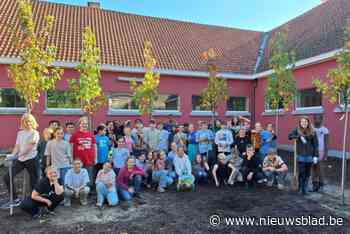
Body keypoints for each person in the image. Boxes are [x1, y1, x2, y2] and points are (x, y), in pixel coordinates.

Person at [3, 113, 40, 204]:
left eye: (29, 121)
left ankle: (34, 201)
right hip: (20, 160)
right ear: (22, 122)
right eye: (25, 122)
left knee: (34, 182)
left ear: (32, 122)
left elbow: (29, 148)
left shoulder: (35, 133)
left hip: (32, 159)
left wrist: (17, 155)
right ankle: (15, 199)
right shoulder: (20, 133)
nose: (28, 123)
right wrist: (12, 155)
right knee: (7, 177)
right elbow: (17, 146)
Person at [289, 116, 319, 195]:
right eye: (302, 121)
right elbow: (290, 136)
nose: (304, 123)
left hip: (310, 155)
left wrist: (316, 156)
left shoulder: (312, 131)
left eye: (305, 121)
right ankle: (300, 188)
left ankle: (305, 188)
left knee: (307, 173)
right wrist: (298, 136)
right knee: (302, 172)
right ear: (300, 123)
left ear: (308, 122)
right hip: (301, 155)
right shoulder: (297, 130)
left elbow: (316, 144)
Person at [70, 116, 97, 186]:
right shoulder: (74, 135)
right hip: (78, 160)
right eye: (83, 123)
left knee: (89, 177)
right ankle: (78, 191)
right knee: (78, 177)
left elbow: (95, 147)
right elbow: (71, 147)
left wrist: (96, 158)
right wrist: (71, 158)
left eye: (86, 124)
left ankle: (88, 191)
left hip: (89, 160)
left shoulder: (91, 135)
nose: (85, 125)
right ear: (80, 124)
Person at [311, 115, 329, 192]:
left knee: (320, 168)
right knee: (313, 168)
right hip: (312, 151)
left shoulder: (325, 130)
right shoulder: (311, 129)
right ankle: (314, 186)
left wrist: (325, 154)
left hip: (321, 151)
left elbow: (326, 143)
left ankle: (321, 185)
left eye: (318, 119)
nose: (316, 120)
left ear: (321, 120)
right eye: (315, 118)